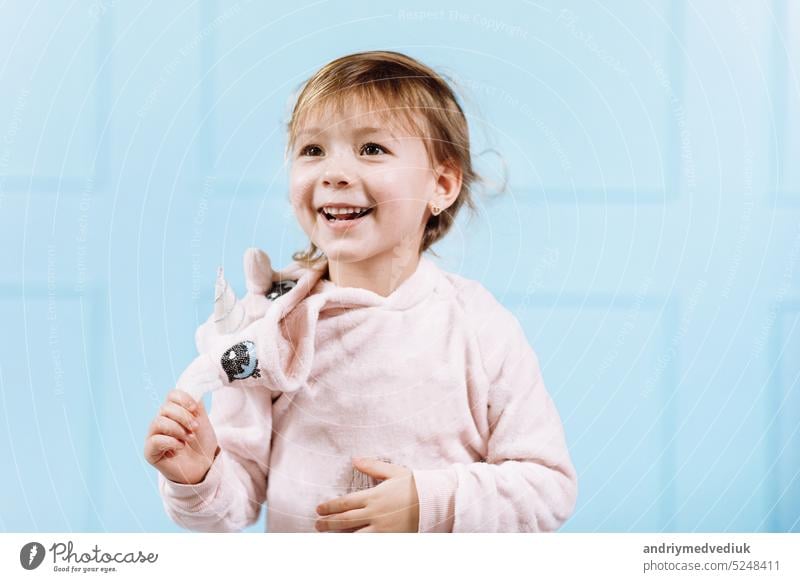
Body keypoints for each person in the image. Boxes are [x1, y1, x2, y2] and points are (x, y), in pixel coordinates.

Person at [144, 50, 578, 532]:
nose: (334, 172)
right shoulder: (266, 328)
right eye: (313, 150)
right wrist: (199, 475)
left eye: (371, 148)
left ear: (442, 183)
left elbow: (547, 488)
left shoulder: (477, 326)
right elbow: (235, 501)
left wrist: (427, 503)